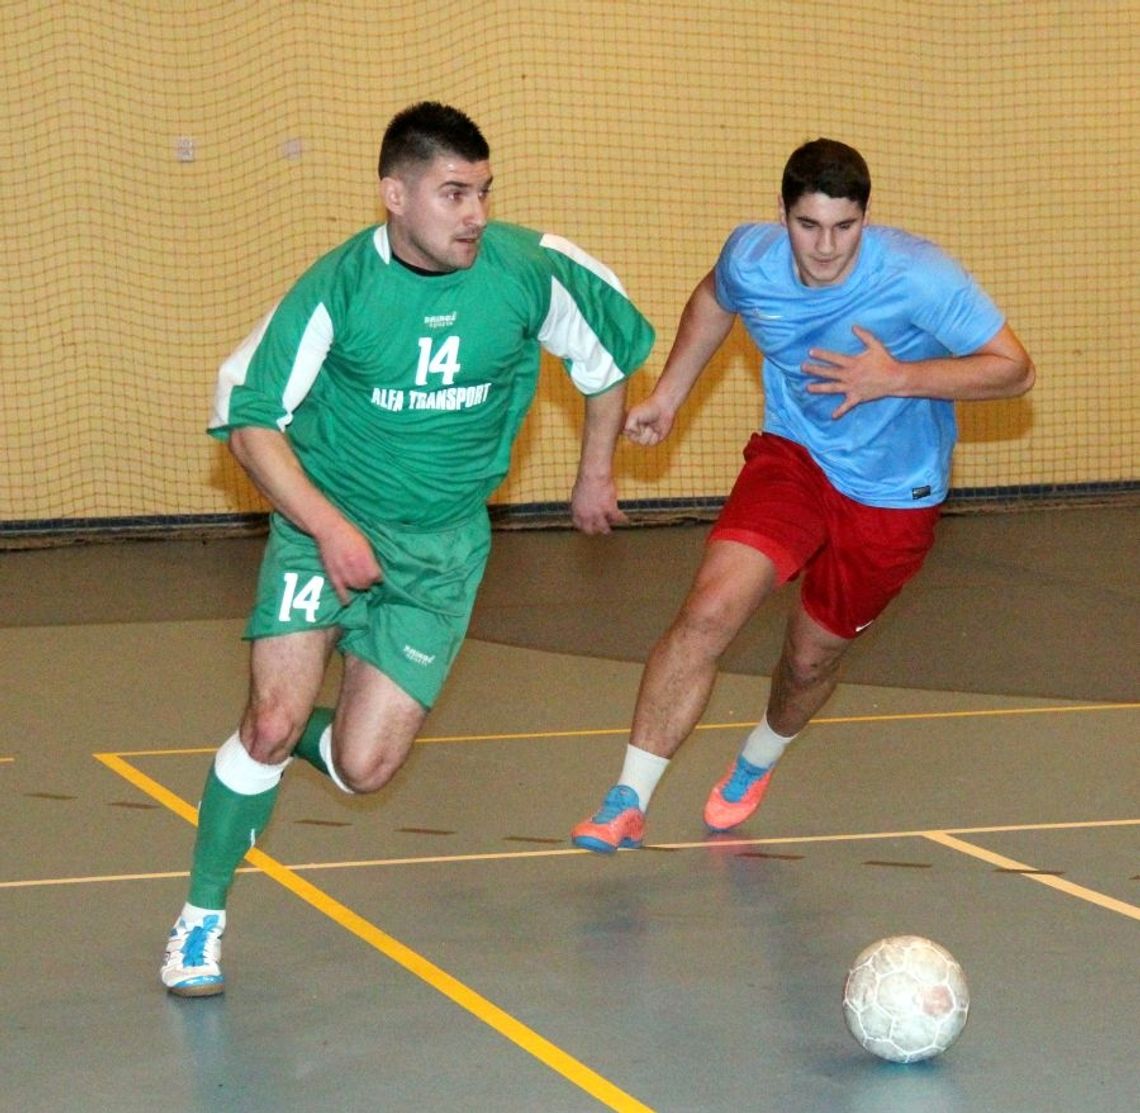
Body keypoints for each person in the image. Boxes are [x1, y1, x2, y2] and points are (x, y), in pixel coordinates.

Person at [161, 101, 654, 995]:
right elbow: (249, 422)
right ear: (395, 194)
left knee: (362, 768)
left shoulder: (526, 272)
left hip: (442, 550)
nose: (475, 213)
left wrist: (596, 472)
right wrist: (328, 525)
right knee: (273, 719)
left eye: (484, 192)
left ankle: (272, 746)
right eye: (454, 192)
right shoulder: (337, 288)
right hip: (329, 524)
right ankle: (201, 919)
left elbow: (607, 362)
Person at [571, 137, 1035, 852]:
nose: (825, 246)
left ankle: (757, 758)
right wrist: (668, 394)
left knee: (809, 659)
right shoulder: (750, 257)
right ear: (783, 215)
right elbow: (712, 299)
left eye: (844, 227)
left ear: (866, 219)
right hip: (795, 456)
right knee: (707, 612)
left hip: (893, 491)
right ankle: (628, 796)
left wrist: (898, 378)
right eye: (808, 225)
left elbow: (1014, 370)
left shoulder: (920, 275)